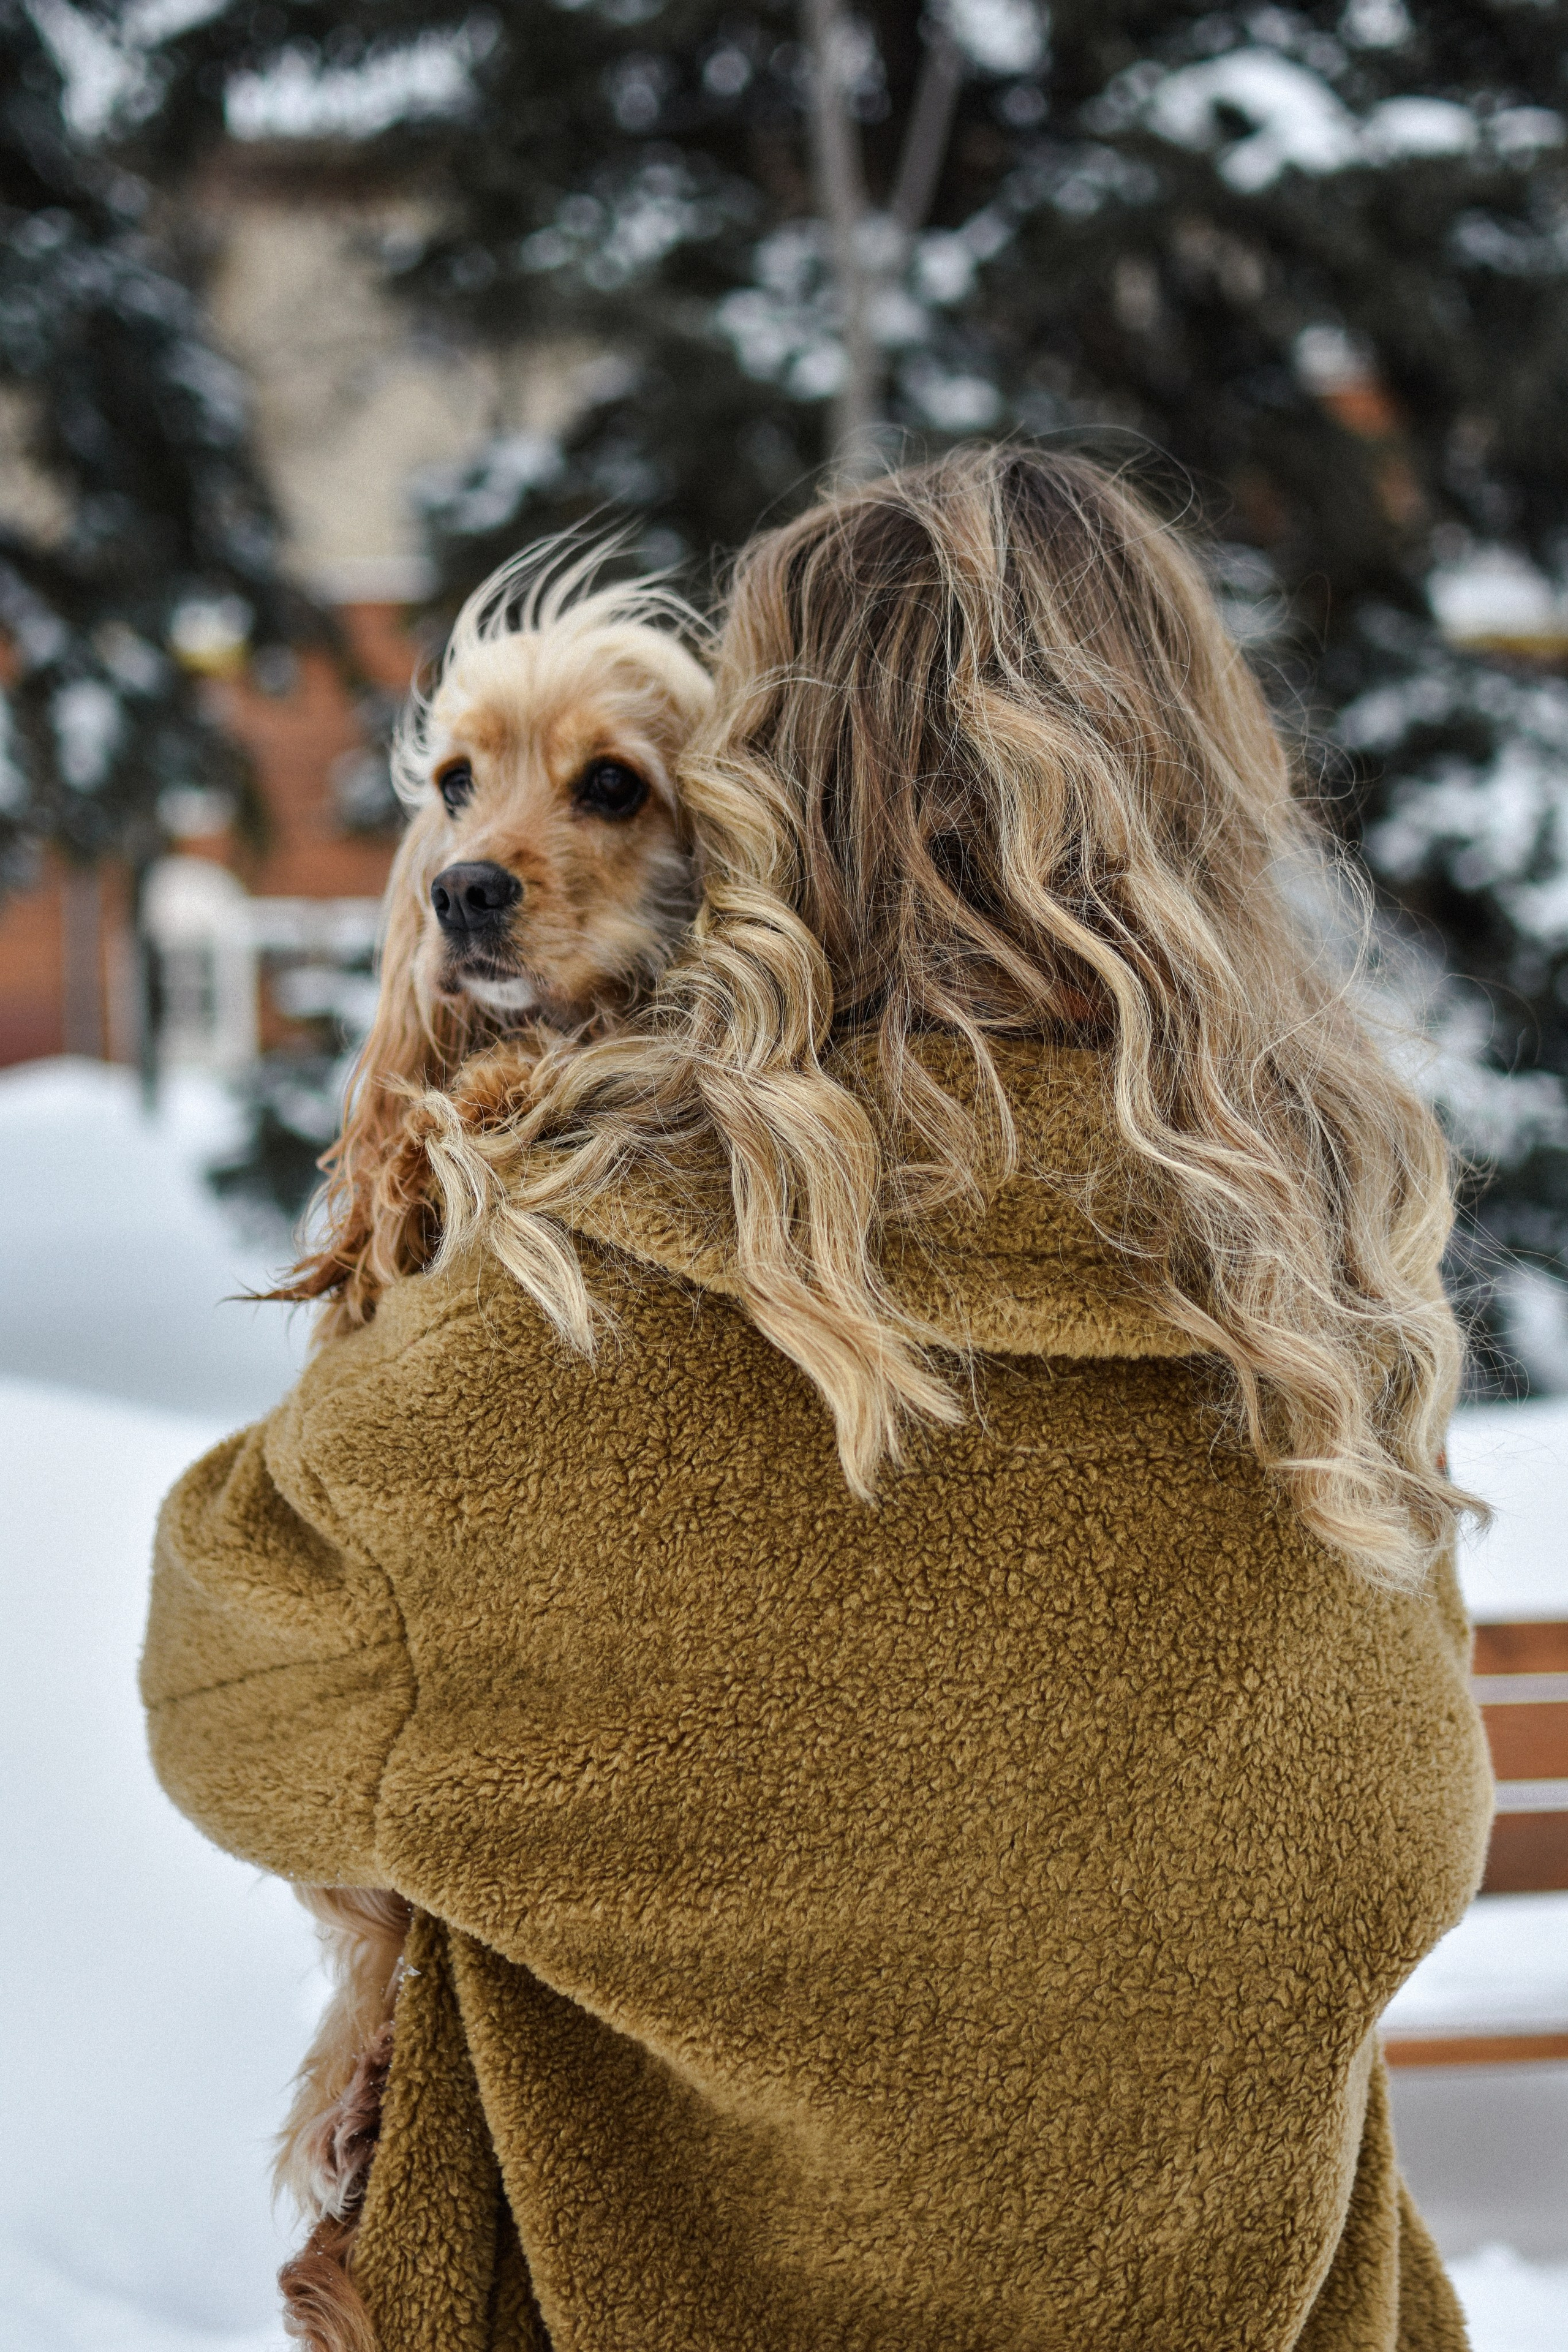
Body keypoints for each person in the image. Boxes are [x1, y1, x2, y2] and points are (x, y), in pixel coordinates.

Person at [143, 447, 1492, 2351]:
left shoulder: (562, 1308)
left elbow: (231, 1702)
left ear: (772, 806)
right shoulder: (1327, 1324)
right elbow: (1405, 1841)